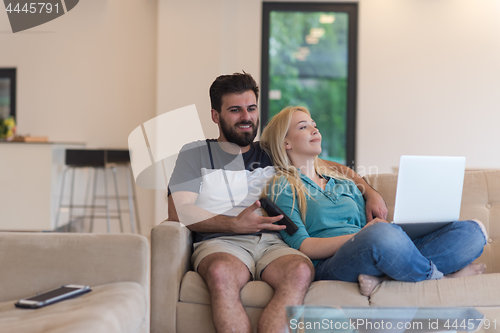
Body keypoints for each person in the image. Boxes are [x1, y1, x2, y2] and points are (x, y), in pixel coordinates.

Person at [167, 73, 388, 333]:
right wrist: (235, 225)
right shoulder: (195, 153)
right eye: (235, 110)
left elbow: (333, 167)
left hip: (276, 242)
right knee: (220, 273)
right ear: (216, 116)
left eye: (251, 109)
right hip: (222, 241)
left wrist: (371, 192)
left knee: (300, 271)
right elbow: (177, 211)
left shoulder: (272, 151)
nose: (246, 118)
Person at [260, 105, 488, 297]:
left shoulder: (343, 181)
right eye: (303, 127)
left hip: (374, 249)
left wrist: (380, 232)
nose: (314, 128)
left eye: (313, 124)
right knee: (381, 235)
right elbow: (303, 246)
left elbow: (366, 227)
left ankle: (386, 277)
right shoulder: (282, 186)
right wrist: (364, 235)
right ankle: (441, 278)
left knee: (472, 232)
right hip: (334, 263)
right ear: (286, 143)